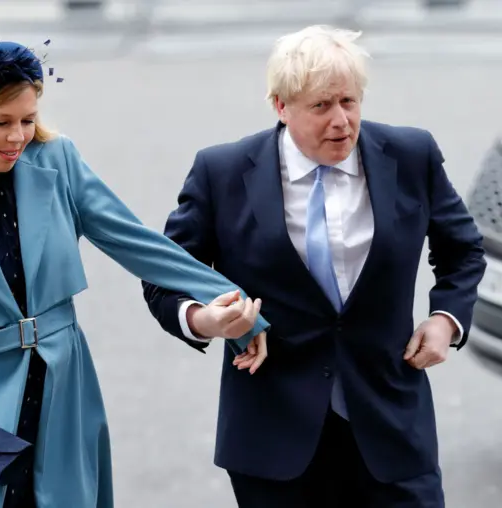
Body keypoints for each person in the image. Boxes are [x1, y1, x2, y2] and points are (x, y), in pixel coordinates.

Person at [0, 40, 270, 508]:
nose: (18, 137)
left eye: (27, 119)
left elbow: (136, 243)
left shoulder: (57, 161)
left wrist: (235, 302)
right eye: (0, 123)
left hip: (62, 395)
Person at [142, 25, 486, 507]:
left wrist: (445, 319)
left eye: (349, 101)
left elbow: (463, 249)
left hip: (390, 429)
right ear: (281, 107)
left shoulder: (411, 156)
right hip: (274, 441)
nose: (341, 121)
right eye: (321, 106)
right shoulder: (222, 173)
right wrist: (207, 319)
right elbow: (164, 277)